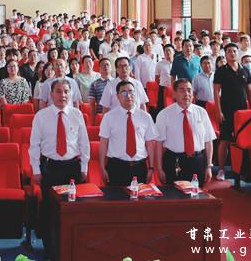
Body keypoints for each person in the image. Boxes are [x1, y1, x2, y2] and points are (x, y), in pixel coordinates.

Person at [29, 79, 89, 258]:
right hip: (50, 168)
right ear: (51, 94)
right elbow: (34, 145)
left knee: (71, 211)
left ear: (71, 94)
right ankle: (51, 252)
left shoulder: (77, 114)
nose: (62, 95)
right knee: (50, 212)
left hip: (72, 168)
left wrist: (84, 167)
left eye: (66, 91)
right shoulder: (41, 116)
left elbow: (84, 143)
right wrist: (36, 170)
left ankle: (70, 251)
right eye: (58, 91)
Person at [154, 78, 215, 185]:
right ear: (174, 94)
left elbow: (208, 141)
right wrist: (159, 168)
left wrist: (209, 166)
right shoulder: (164, 114)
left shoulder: (201, 112)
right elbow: (159, 144)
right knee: (173, 194)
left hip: (197, 161)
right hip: (174, 161)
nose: (186, 94)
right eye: (182, 90)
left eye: (189, 90)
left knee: (197, 193)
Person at [98, 80, 157, 187]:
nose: (128, 95)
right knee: (116, 197)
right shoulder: (109, 117)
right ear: (117, 96)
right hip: (116, 166)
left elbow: (149, 144)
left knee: (139, 197)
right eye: (124, 92)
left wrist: (151, 167)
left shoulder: (145, 117)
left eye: (131, 91)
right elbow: (103, 143)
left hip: (139, 167)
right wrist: (102, 168)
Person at [213, 43, 251, 182]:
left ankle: (241, 170)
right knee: (224, 140)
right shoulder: (221, 71)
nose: (232, 53)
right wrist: (219, 111)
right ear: (225, 54)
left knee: (242, 141)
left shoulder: (245, 70)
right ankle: (221, 169)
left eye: (234, 51)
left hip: (242, 112)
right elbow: (216, 91)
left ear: (238, 53)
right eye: (229, 51)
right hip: (226, 111)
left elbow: (250, 91)